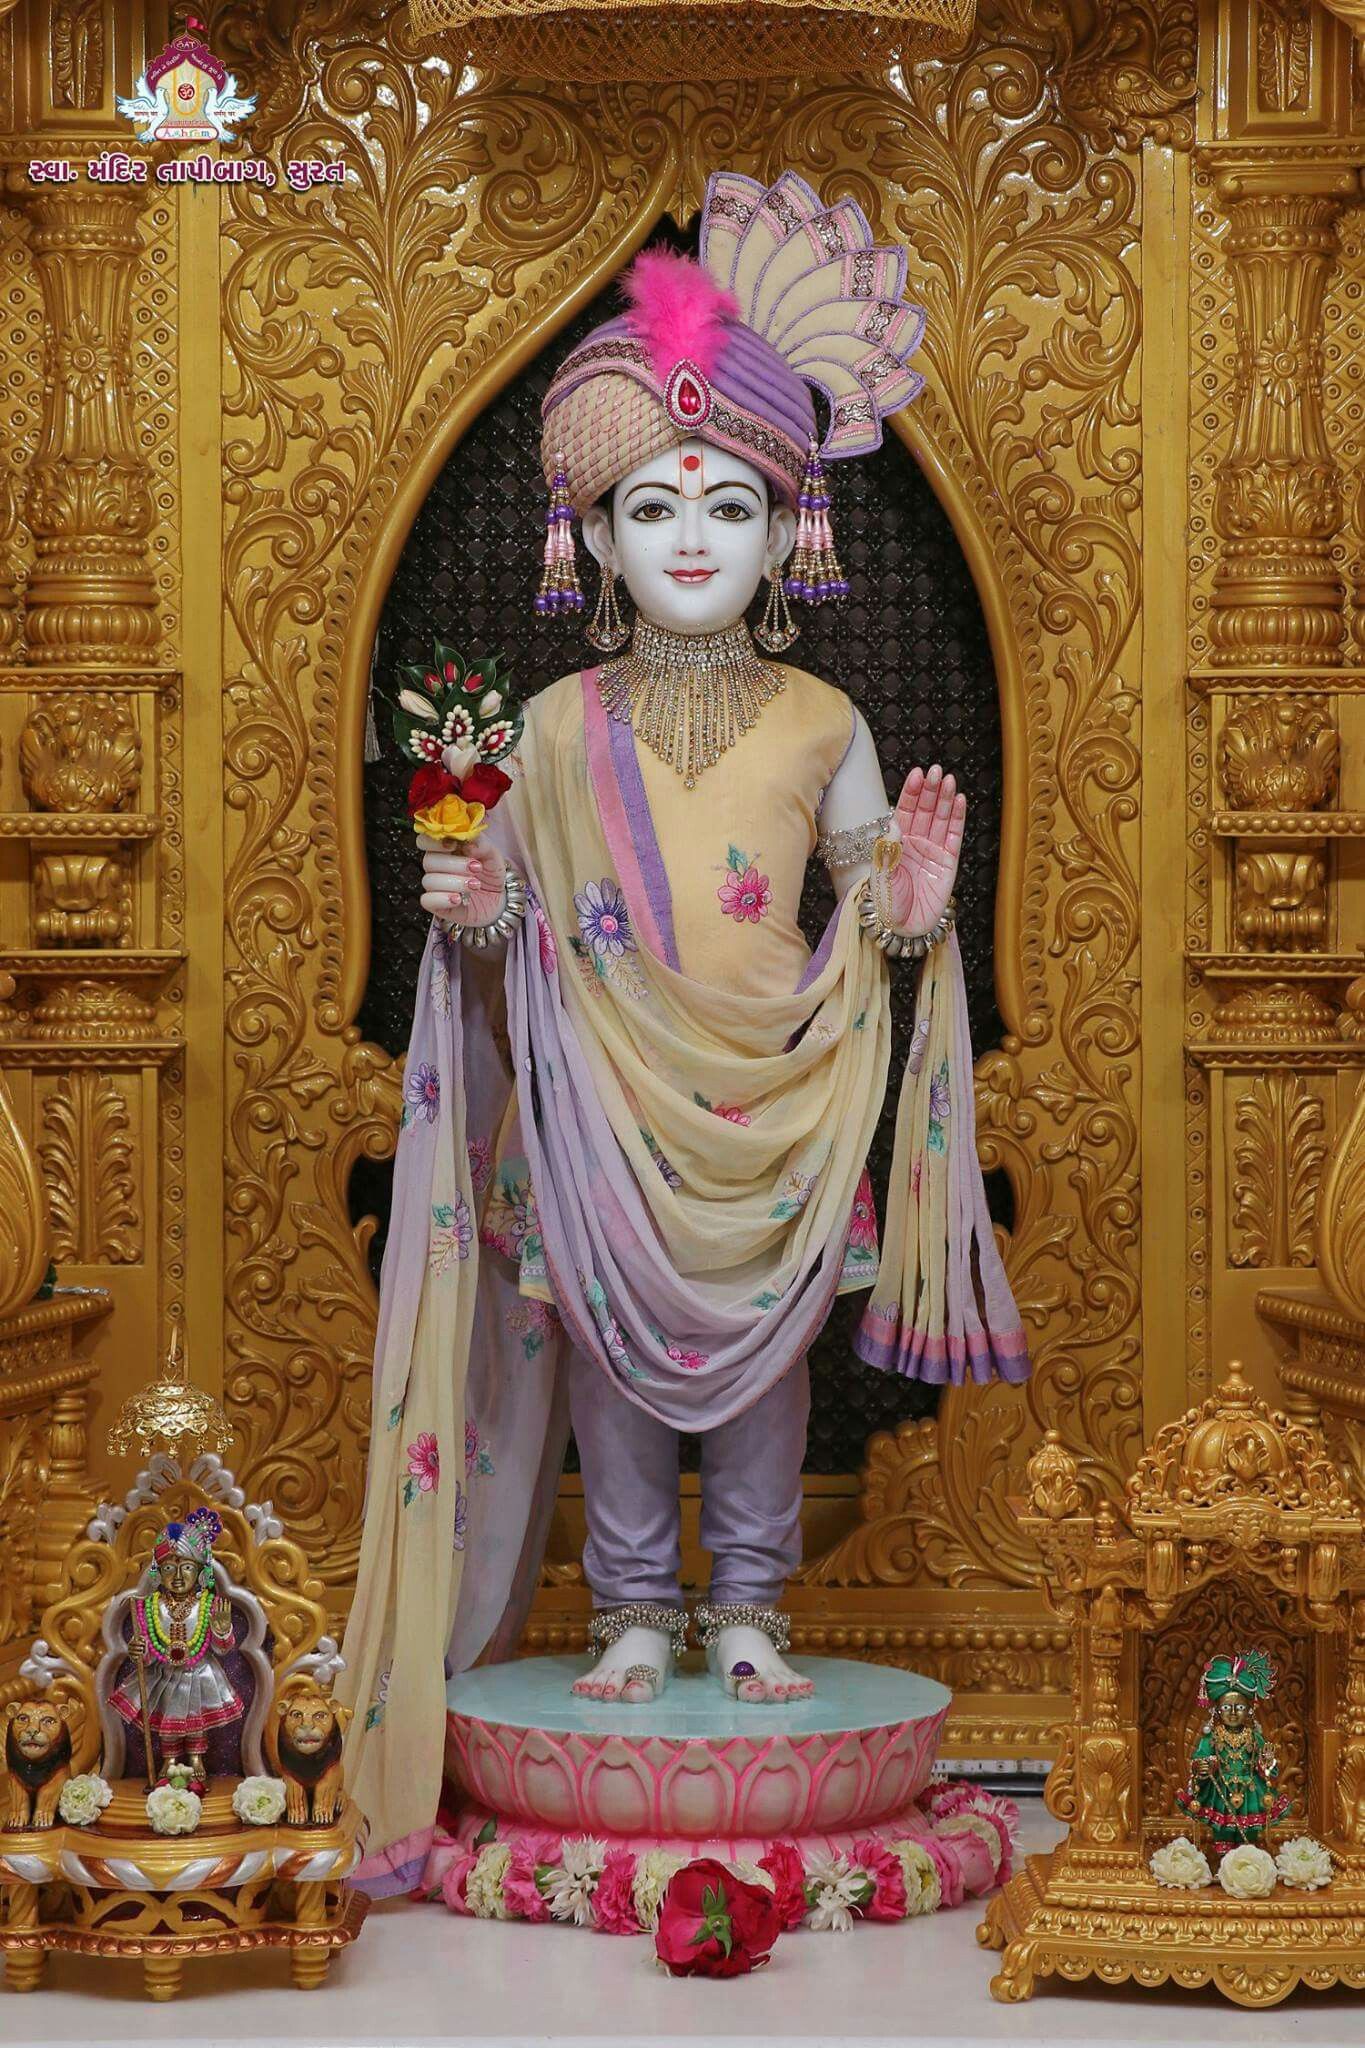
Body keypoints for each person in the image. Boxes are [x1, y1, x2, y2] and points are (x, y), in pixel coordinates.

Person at [342, 170, 1029, 1890]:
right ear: (594, 536)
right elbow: (495, 916)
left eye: (726, 499)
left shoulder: (824, 715)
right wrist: (472, 908)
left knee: (769, 1371)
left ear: (790, 520)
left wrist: (916, 908)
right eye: (655, 507)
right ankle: (634, 1607)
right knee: (610, 1363)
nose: (695, 536)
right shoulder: (559, 726)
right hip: (595, 1111)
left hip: (780, 1110)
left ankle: (747, 1605)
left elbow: (873, 900)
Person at [109, 1507, 240, 1792]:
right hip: (165, 1675)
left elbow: (223, 1650)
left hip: (201, 1674)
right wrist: (139, 1650)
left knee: (195, 1722)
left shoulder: (208, 1604)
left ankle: (195, 1759)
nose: (178, 1576)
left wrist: (221, 1631)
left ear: (200, 1571)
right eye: (169, 1568)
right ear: (158, 1572)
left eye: (187, 1568)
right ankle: (169, 1761)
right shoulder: (149, 1607)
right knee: (169, 1721)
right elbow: (147, 1654)